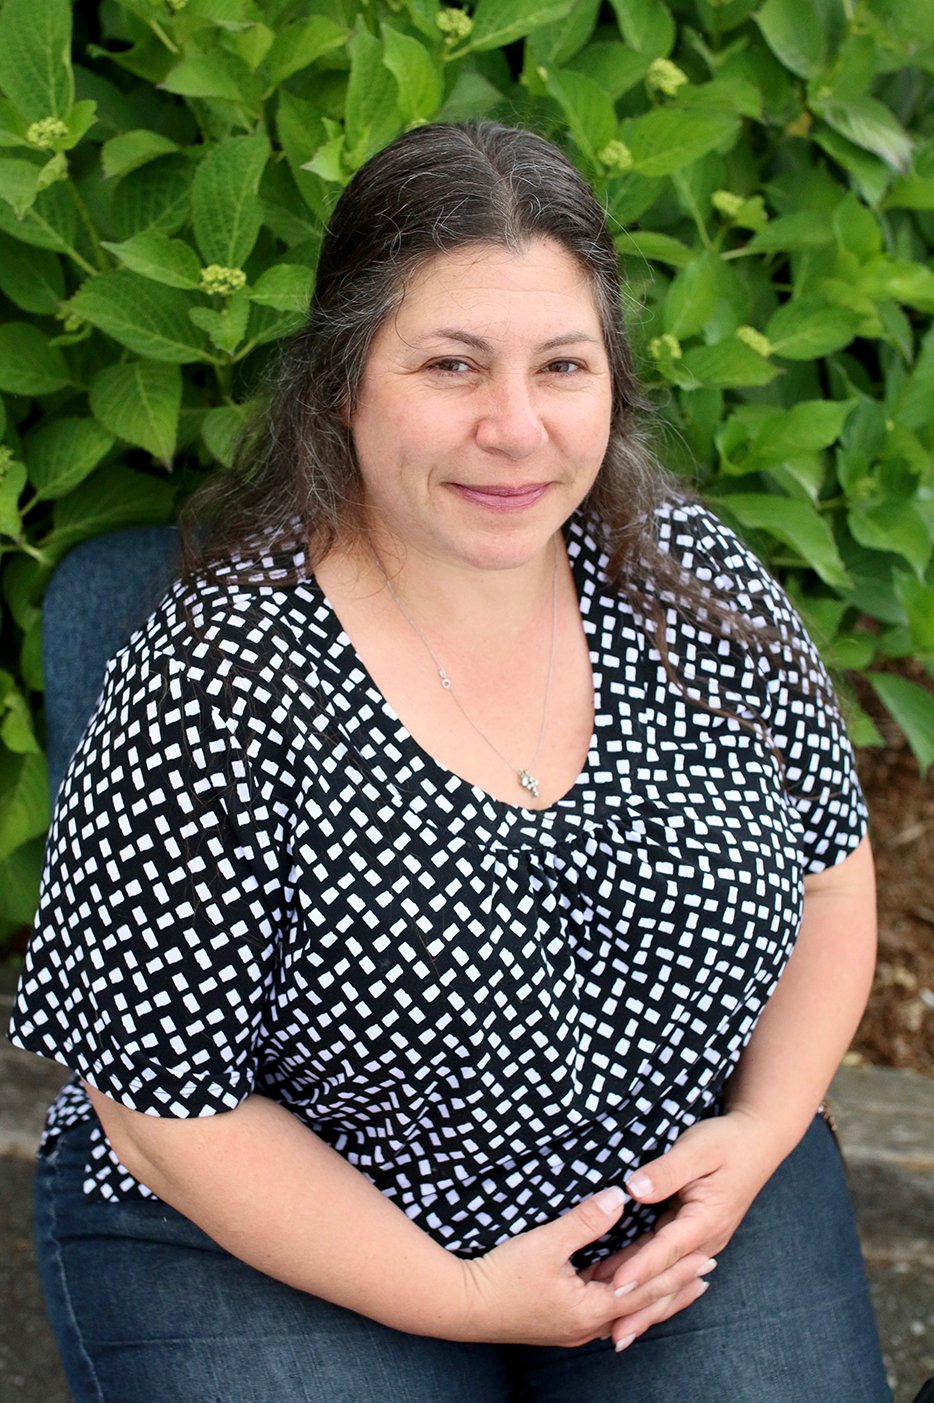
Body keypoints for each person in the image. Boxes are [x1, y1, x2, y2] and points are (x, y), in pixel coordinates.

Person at [9, 121, 890, 1403]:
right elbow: (167, 1110)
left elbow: (831, 878)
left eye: (563, 366)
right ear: (341, 383)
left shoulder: (689, 576)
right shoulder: (214, 681)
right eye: (452, 364)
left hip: (671, 1188)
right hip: (277, 1221)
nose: (516, 428)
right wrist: (467, 1295)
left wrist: (756, 1135)